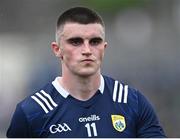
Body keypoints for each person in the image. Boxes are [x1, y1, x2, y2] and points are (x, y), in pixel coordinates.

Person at [6, 7, 166, 138]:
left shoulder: (132, 102)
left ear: (104, 48)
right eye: (76, 42)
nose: (87, 50)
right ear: (57, 49)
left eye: (95, 41)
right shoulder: (32, 111)